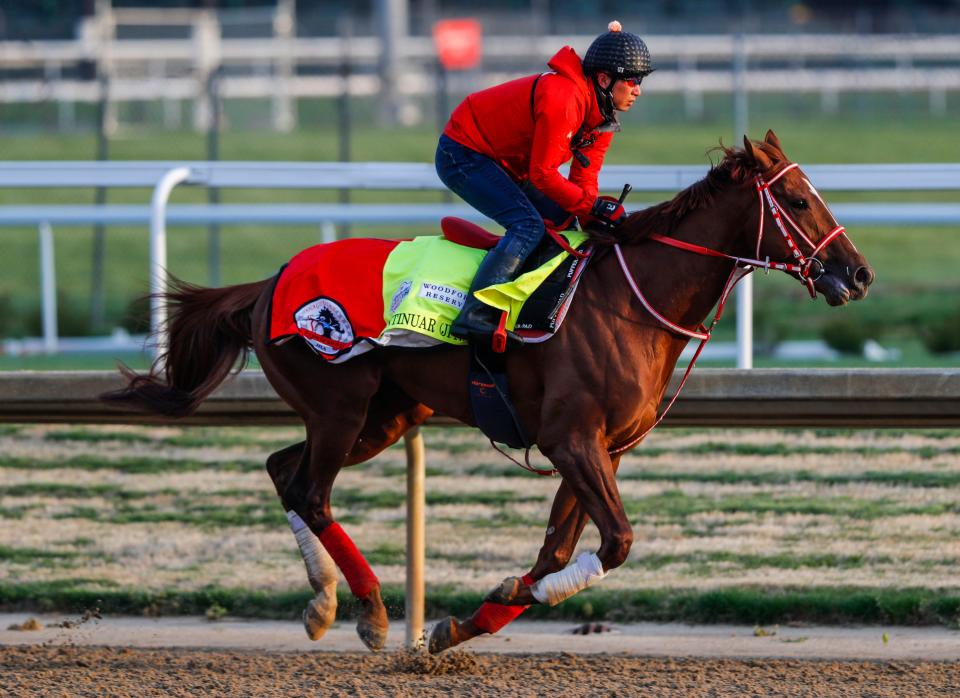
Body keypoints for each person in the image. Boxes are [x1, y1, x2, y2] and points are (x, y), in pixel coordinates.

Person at [435, 21, 654, 341]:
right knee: (528, 226)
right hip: (464, 152)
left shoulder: (603, 116)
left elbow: (584, 177)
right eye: (633, 80)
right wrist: (592, 206)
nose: (638, 90)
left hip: (506, 164)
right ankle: (475, 315)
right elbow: (543, 175)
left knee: (566, 220)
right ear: (605, 79)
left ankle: (528, 305)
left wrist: (591, 215)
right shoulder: (564, 99)